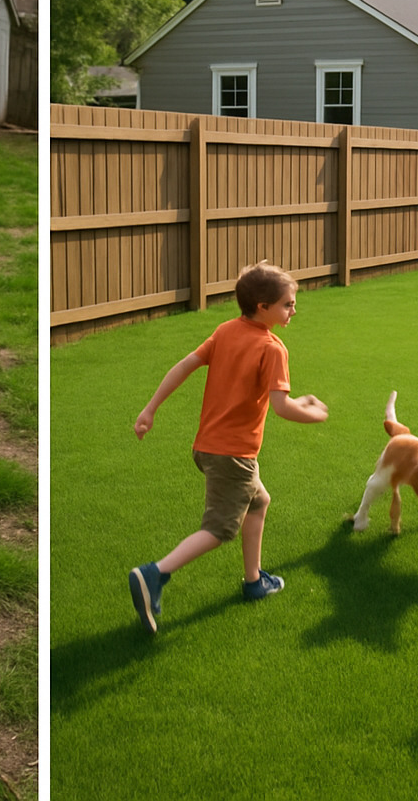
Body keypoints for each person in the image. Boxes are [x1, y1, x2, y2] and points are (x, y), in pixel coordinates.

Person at [127, 261, 329, 633]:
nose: (293, 309)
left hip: (208, 447)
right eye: (287, 303)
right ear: (262, 306)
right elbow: (282, 406)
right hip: (235, 455)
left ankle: (254, 582)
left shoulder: (225, 331)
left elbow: (185, 365)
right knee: (219, 529)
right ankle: (155, 573)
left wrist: (149, 409)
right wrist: (314, 414)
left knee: (259, 501)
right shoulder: (272, 348)